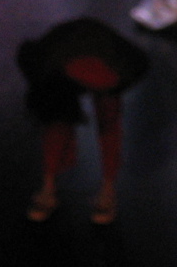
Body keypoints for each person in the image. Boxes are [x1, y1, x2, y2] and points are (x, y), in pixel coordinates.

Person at [17, 18, 149, 224]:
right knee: (65, 120)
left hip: (103, 63)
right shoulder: (50, 64)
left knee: (104, 118)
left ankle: (100, 190)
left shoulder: (114, 66)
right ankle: (61, 188)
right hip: (78, 63)